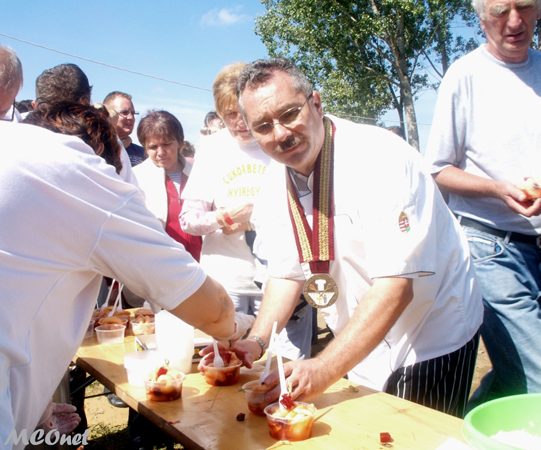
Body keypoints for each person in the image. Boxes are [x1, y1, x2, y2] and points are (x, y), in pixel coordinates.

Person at [0, 120, 254, 449]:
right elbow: (214, 310)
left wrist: (30, 405)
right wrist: (239, 328)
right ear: (107, 161)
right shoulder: (84, 181)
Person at [234, 57, 483, 418]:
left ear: (316, 104)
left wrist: (323, 367)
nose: (281, 134)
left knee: (420, 437)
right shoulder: (275, 181)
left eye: (289, 114)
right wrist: (255, 341)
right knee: (371, 431)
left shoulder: (380, 159)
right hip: (360, 332)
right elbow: (285, 274)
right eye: (263, 126)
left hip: (430, 329)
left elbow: (397, 286)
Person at [424, 0, 541, 410]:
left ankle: (466, 429)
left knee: (515, 373)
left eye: (525, 6)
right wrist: (498, 189)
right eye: (499, 11)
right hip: (492, 247)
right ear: (480, 18)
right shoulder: (465, 75)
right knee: (537, 375)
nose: (514, 21)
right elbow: (437, 170)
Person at [180, 62, 313, 361]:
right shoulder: (213, 148)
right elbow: (187, 219)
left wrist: (256, 214)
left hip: (285, 280)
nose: (240, 122)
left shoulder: (281, 142)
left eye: (244, 114)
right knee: (228, 370)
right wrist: (224, 217)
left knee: (284, 373)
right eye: (229, 115)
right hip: (229, 284)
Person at [33, 64, 137, 185]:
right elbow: (130, 195)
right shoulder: (107, 141)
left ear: (36, 107)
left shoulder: (16, 142)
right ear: (87, 102)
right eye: (124, 112)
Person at [133, 110, 202, 262]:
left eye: (166, 144)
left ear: (179, 142)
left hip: (203, 270)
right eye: (153, 147)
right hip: (160, 270)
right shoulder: (135, 179)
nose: (160, 152)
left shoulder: (199, 174)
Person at [103, 91, 146, 167]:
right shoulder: (97, 149)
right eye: (124, 112)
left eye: (133, 113)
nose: (131, 117)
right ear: (108, 114)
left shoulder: (142, 154)